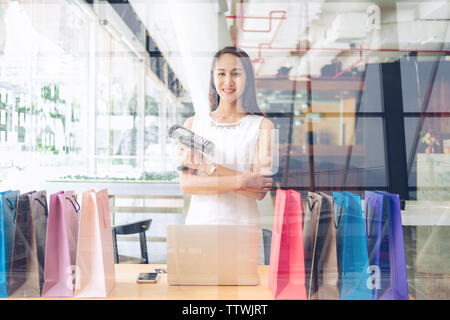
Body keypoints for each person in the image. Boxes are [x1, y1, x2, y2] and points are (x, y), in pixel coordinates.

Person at [177, 46, 275, 263]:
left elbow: (260, 191)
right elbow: (186, 185)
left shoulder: (263, 127)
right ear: (213, 77)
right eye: (221, 73)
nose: (228, 82)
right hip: (199, 229)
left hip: (242, 231)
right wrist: (241, 180)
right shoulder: (193, 124)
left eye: (236, 74)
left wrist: (207, 168)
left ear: (247, 78)